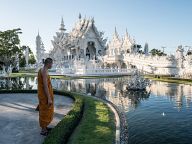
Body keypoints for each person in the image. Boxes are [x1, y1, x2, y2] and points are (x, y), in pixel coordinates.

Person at [37, 58, 54, 136]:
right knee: (44, 111)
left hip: (44, 94)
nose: (52, 65)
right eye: (51, 64)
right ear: (48, 63)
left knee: (46, 110)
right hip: (44, 95)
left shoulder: (43, 69)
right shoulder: (44, 71)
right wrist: (49, 98)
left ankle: (45, 127)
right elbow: (45, 86)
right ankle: (43, 130)